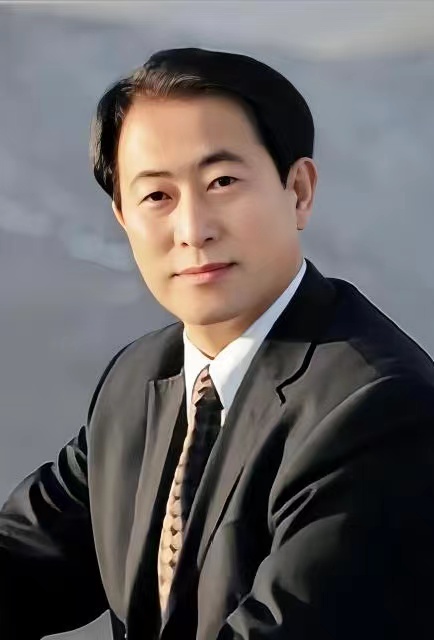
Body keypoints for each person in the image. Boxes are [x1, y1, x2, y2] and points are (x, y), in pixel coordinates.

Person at [1, 47, 434, 640]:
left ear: (299, 190)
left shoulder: (379, 411)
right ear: (122, 217)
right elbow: (26, 558)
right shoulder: (139, 378)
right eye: (157, 196)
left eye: (222, 182)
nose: (193, 229)